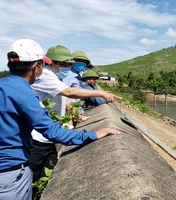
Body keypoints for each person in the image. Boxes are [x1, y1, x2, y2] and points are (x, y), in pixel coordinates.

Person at [0, 38, 120, 200]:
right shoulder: (25, 94)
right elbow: (53, 132)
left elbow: (65, 100)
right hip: (12, 173)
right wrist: (93, 134)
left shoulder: (4, 85)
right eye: (43, 64)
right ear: (36, 66)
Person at [29, 44, 121, 183]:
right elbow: (69, 92)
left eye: (68, 64)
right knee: (34, 178)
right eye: (63, 64)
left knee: (47, 174)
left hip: (49, 135)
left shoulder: (55, 77)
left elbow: (63, 99)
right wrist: (101, 93)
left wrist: (76, 113)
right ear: (51, 63)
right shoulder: (46, 76)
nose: (66, 67)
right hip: (38, 138)